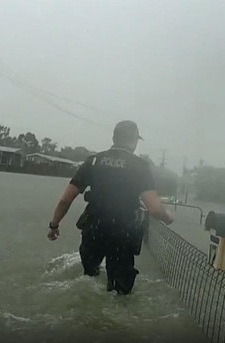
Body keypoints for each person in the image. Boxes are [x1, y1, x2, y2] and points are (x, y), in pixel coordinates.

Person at [47, 120, 174, 295]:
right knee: (120, 290)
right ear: (134, 140)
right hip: (123, 233)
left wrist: (54, 225)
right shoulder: (139, 166)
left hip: (93, 229)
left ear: (114, 137)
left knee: (88, 280)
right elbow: (154, 208)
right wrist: (168, 217)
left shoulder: (93, 161)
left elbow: (65, 200)